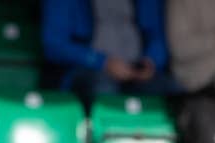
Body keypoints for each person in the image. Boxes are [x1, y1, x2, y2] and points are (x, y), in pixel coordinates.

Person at [42, 0, 170, 100]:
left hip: (136, 67)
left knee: (172, 91)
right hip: (87, 68)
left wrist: (152, 61)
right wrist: (104, 62)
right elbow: (54, 45)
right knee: (104, 89)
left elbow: (156, 34)